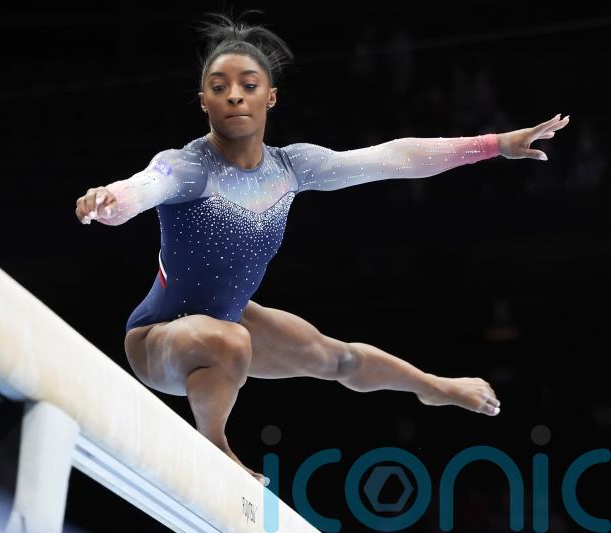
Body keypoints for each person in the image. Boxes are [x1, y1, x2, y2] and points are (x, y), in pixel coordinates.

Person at [74, 10, 569, 485]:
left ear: (271, 97)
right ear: (203, 99)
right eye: (219, 87)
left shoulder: (291, 168)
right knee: (232, 343)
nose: (234, 97)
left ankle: (434, 388)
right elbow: (144, 186)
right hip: (158, 339)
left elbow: (392, 158)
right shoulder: (189, 166)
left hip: (228, 319)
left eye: (249, 85)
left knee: (337, 360)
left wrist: (494, 144)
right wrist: (110, 200)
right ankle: (214, 445)